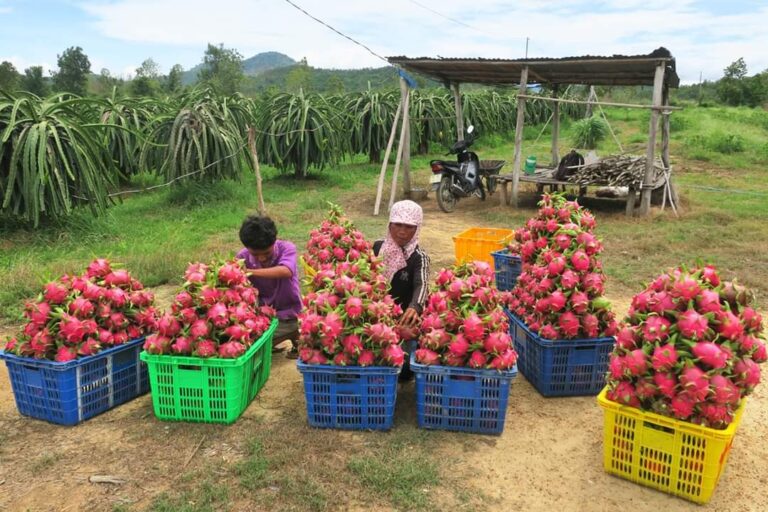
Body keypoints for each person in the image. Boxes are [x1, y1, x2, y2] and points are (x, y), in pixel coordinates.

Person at [373, 200, 430, 381]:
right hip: (373, 316)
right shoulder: (376, 248)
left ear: (417, 228)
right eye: (397, 224)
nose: (402, 231)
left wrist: (415, 306)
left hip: (403, 321)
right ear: (389, 224)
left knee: (404, 370)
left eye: (409, 226)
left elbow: (422, 284)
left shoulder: (419, 257)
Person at [237, 215, 302, 358]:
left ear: (274, 241)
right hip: (261, 315)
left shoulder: (287, 248)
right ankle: (285, 335)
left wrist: (249, 272)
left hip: (288, 313)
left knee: (255, 347)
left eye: (266, 252)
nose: (262, 258)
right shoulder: (242, 257)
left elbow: (286, 271)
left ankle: (293, 332)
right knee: (244, 343)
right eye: (255, 254)